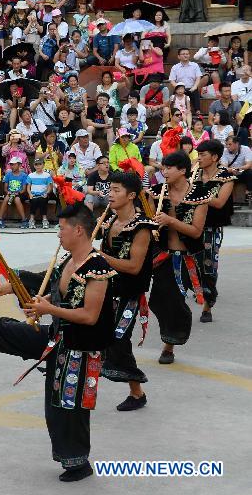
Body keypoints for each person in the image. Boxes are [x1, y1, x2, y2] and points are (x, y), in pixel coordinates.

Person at [0, 204, 116, 482]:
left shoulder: (97, 267)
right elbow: (60, 296)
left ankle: (78, 463)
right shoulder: (68, 260)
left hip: (81, 350)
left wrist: (48, 311)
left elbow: (89, 315)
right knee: (8, 332)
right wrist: (43, 304)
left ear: (78, 230)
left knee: (66, 408)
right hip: (60, 337)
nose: (58, 234)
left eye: (61, 228)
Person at [98, 171, 157, 411]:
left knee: (119, 340)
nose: (110, 195)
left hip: (130, 294)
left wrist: (100, 257)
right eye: (109, 190)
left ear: (131, 195)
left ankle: (137, 392)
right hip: (107, 289)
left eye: (116, 191)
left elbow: (134, 267)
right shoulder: (110, 220)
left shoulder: (142, 227)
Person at [149, 152, 210, 365]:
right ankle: (172, 330)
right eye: (163, 168)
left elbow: (195, 231)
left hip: (186, 256)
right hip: (162, 256)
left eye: (169, 168)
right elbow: (149, 223)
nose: (164, 172)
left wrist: (169, 221)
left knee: (175, 300)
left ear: (183, 170)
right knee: (157, 300)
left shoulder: (199, 195)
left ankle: (169, 345)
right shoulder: (156, 193)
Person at [194, 140, 235, 323]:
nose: (199, 158)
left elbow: (219, 202)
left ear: (215, 157)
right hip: (191, 226)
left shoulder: (226, 177)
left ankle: (207, 305)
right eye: (198, 154)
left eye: (203, 155)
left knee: (209, 265)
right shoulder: (194, 174)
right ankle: (198, 290)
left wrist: (194, 193)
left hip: (211, 227)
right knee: (191, 263)